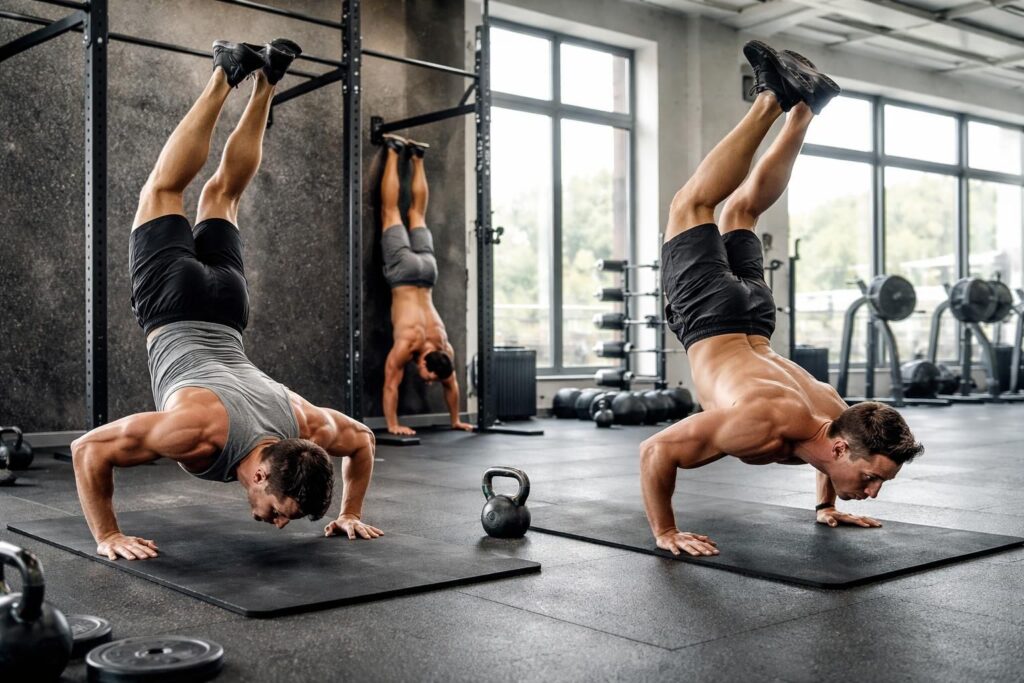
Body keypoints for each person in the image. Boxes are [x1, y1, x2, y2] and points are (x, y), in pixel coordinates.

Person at [71, 39, 382, 562]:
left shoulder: (304, 425)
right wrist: (108, 536)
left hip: (229, 309)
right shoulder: (199, 435)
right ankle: (224, 74)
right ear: (261, 475)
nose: (279, 523)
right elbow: (88, 449)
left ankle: (268, 80)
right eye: (281, 510)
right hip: (172, 305)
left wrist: (349, 511)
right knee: (163, 191)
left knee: (223, 196)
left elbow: (361, 440)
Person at [640, 41, 923, 557]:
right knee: (693, 204)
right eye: (871, 478)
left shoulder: (837, 416)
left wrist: (827, 505)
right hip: (716, 319)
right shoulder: (768, 424)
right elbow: (656, 449)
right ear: (842, 447)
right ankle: (772, 98)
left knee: (742, 213)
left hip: (754, 319)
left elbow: (829, 457)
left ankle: (806, 109)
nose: (873, 492)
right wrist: (665, 532)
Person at [378, 134, 473, 436]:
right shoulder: (411, 343)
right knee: (391, 212)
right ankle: (393, 150)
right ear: (425, 364)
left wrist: (456, 420)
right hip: (404, 274)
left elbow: (451, 384)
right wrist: (392, 425)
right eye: (428, 376)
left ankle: (418, 156)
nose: (426, 380)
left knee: (417, 214)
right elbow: (391, 384)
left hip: (428, 272)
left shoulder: (445, 350)